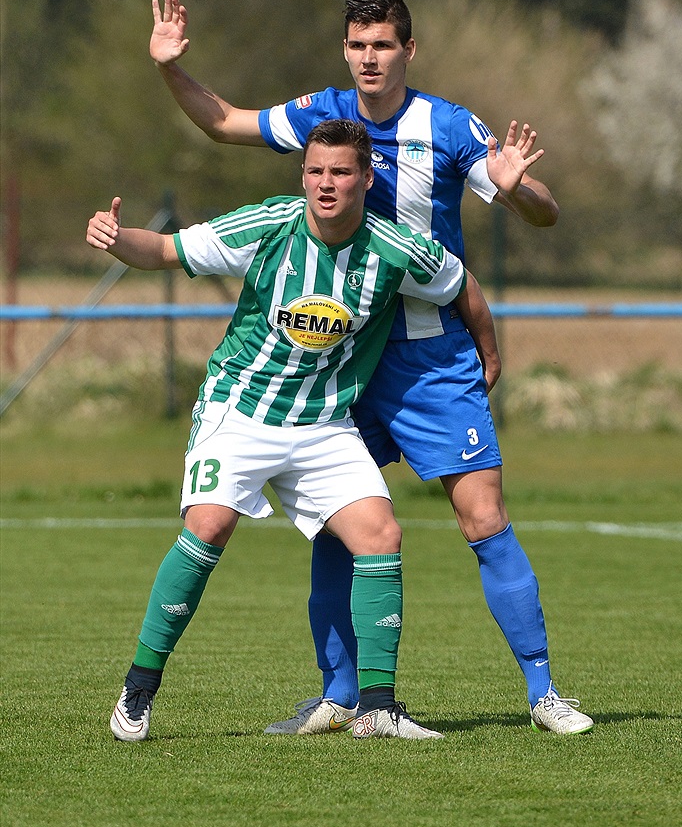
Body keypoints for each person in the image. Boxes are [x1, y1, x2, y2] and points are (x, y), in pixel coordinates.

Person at [148, 0, 594, 736]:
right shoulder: (323, 114)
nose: (369, 58)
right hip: (344, 359)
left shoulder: (446, 126)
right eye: (358, 45)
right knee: (338, 525)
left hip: (431, 358)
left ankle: (544, 693)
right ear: (346, 50)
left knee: (484, 515)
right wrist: (169, 67)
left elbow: (543, 211)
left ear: (407, 50)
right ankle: (342, 696)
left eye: (383, 44)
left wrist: (519, 193)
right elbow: (224, 123)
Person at [89, 118, 490, 742]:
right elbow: (166, 250)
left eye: (340, 172)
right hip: (240, 410)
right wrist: (119, 240)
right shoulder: (271, 225)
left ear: (366, 179)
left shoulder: (395, 248)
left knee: (381, 535)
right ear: (302, 176)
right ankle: (138, 689)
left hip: (324, 425)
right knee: (209, 526)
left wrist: (489, 356)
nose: (326, 184)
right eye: (315, 171)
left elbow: (463, 286)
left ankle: (378, 709)